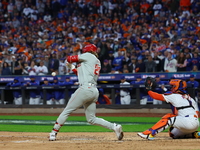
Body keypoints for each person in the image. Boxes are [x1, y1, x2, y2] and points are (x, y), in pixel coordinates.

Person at [49, 44, 123, 141]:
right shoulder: (95, 61)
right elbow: (79, 73)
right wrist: (71, 67)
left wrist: (68, 62)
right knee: (91, 119)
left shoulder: (88, 55)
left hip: (85, 88)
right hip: (93, 91)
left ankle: (53, 133)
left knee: (67, 111)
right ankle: (114, 126)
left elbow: (70, 58)